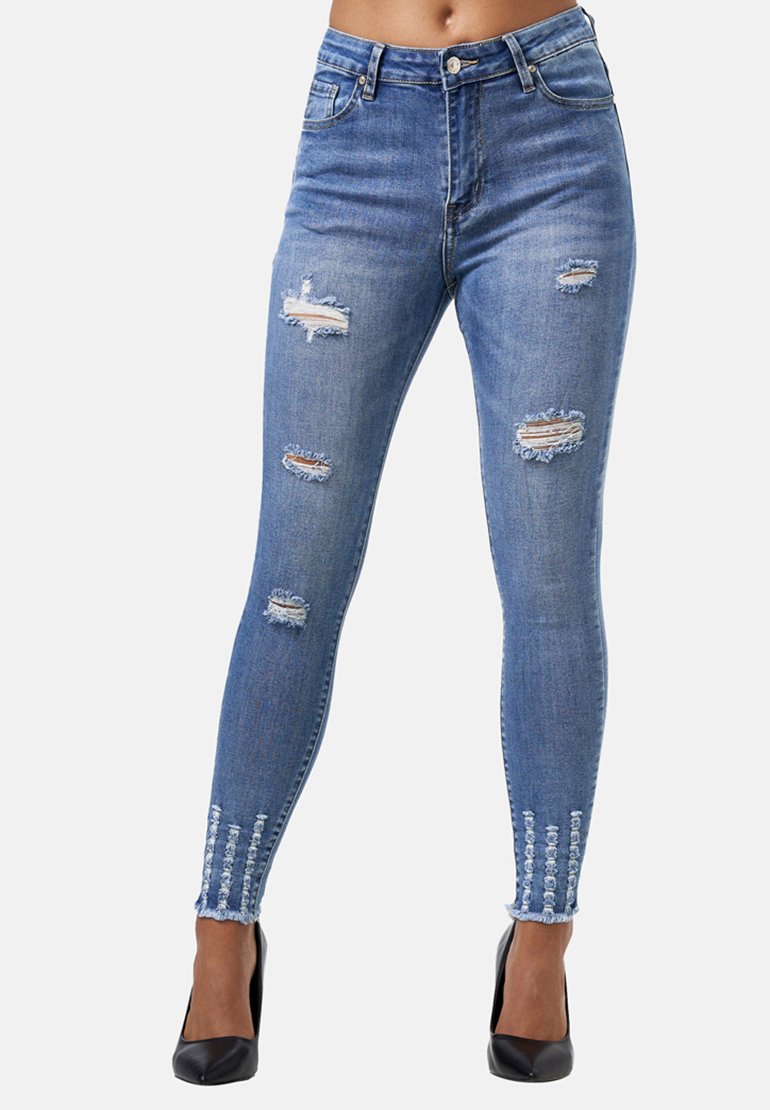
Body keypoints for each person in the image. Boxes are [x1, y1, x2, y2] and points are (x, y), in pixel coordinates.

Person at [172, 0, 636, 1084]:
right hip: (360, 128)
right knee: (293, 579)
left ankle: (542, 937)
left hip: (551, 131)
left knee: (548, 578)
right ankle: (220, 931)